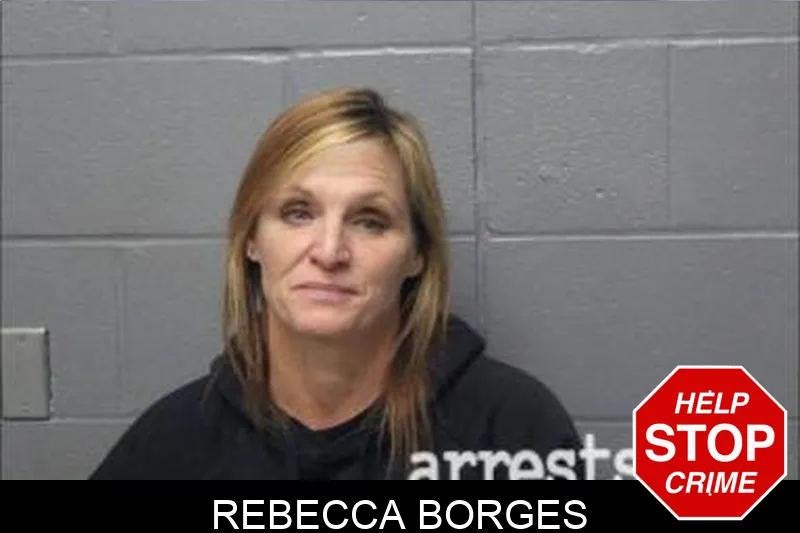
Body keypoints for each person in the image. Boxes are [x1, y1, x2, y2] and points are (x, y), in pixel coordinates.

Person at [90, 87, 585, 480]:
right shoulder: (171, 445)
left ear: (416, 254)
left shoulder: (513, 432)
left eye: (370, 221)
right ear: (252, 240)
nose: (329, 252)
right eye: (297, 213)